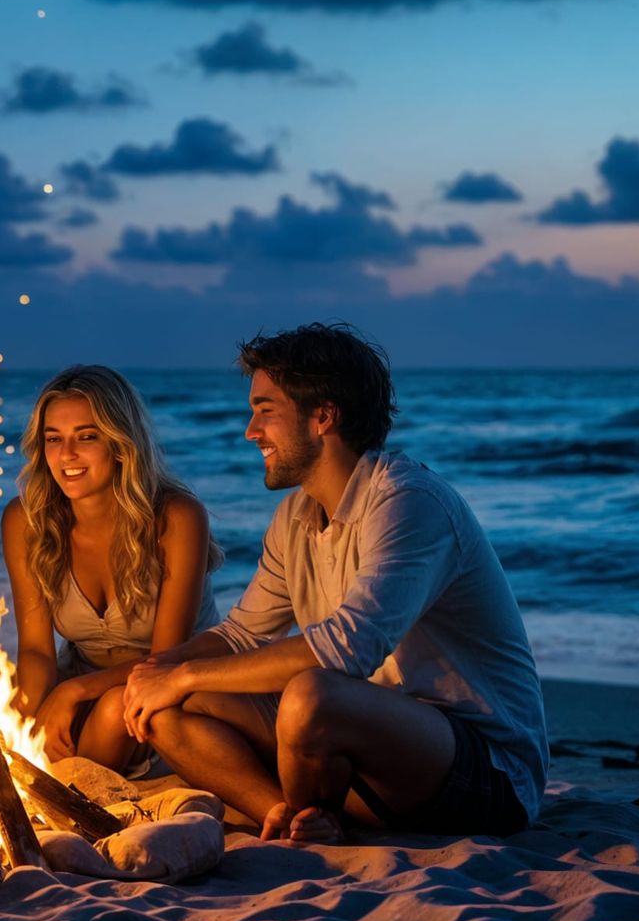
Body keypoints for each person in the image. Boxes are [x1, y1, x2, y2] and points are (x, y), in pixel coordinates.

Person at [121, 323, 548, 844]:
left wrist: (186, 674)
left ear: (323, 415)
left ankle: (308, 811)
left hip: (483, 773)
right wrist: (158, 674)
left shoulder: (407, 502)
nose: (251, 431)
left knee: (311, 694)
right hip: (360, 755)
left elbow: (350, 647)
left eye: (266, 410)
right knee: (170, 710)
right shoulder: (296, 515)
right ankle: (287, 816)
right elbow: (240, 636)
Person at [3, 365, 220, 772]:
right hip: (80, 685)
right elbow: (35, 652)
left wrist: (72, 692)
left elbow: (165, 658)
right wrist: (27, 728)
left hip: (165, 689)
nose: (66, 455)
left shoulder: (176, 516)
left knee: (110, 710)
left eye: (86, 437)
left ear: (121, 443)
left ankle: (70, 803)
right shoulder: (26, 520)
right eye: (54, 439)